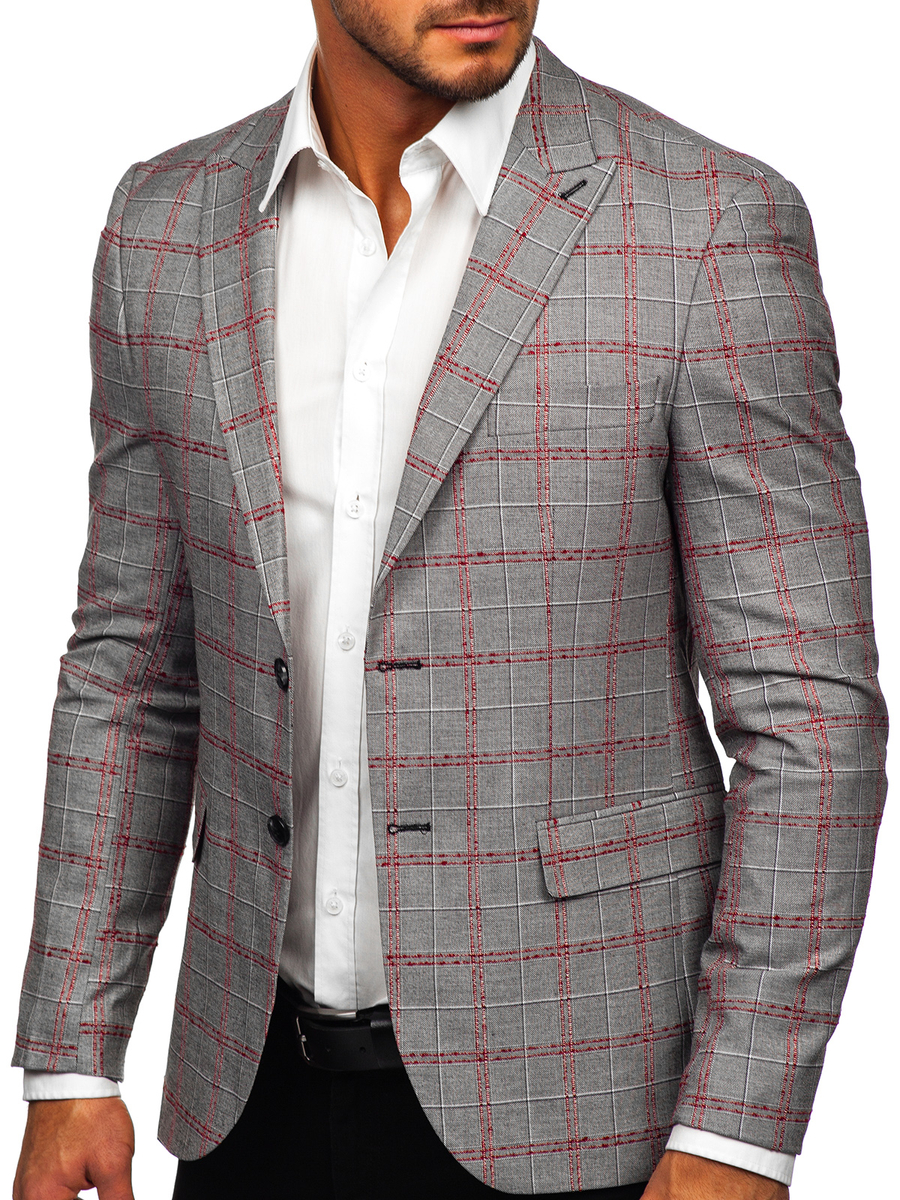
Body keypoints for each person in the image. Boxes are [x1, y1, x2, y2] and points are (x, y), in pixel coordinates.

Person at [12, 1, 887, 1198]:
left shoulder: (705, 224)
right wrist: (71, 1056)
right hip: (247, 1100)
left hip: (596, 1115)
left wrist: (737, 1132)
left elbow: (810, 719)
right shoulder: (168, 226)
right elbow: (132, 667)